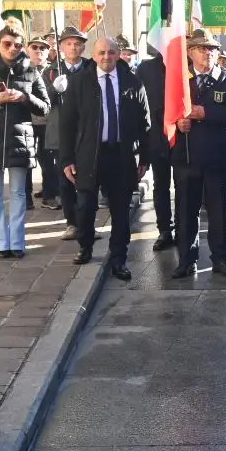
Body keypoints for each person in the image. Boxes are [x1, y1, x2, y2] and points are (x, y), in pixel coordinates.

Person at [58, 35, 153, 281]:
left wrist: (144, 156)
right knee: (85, 206)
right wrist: (67, 158)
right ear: (94, 55)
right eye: (101, 53)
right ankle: (85, 246)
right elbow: (67, 123)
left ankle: (119, 258)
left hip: (121, 155)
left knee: (121, 210)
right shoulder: (80, 82)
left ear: (118, 54)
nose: (106, 58)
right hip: (89, 155)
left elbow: (145, 123)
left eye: (111, 53)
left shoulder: (132, 82)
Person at [0, 24, 51, 258]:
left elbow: (45, 107)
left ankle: (17, 242)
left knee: (18, 193)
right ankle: (0, 243)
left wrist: (25, 97)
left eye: (17, 45)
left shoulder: (31, 71)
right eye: (7, 44)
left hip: (20, 139)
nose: (12, 48)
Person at [169, 28, 226, 279]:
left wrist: (205, 113)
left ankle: (221, 259)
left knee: (218, 211)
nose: (209, 53)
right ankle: (186, 260)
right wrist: (178, 124)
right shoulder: (180, 80)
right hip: (187, 156)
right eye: (203, 48)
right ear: (190, 52)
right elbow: (166, 112)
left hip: (216, 156)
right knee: (186, 212)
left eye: (212, 49)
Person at [44, 26, 92, 238]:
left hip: (86, 131)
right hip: (60, 132)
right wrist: (55, 89)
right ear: (61, 47)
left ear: (83, 47)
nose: (73, 47)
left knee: (88, 179)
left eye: (77, 44)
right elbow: (43, 103)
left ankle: (86, 222)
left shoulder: (91, 68)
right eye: (68, 43)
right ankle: (71, 222)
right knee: (65, 179)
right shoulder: (52, 71)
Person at [135, 44, 177, 253]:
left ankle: (184, 228)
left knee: (184, 187)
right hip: (156, 136)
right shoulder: (145, 68)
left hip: (182, 136)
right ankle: (164, 230)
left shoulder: (183, 64)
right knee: (161, 186)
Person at [25, 35, 57, 208]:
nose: (38, 51)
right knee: (26, 161)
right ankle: (26, 198)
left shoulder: (53, 71)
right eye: (34, 47)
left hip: (47, 122)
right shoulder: (21, 69)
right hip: (26, 122)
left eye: (42, 48)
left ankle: (49, 194)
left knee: (47, 160)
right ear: (28, 49)